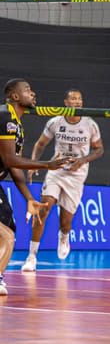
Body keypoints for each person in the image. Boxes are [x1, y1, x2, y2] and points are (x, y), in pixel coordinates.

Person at [0, 79, 72, 294]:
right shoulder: (5, 117)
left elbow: (13, 166)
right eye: (27, 90)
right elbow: (10, 159)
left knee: (8, 229)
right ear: (15, 96)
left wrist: (30, 198)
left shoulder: (17, 125)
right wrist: (47, 164)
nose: (33, 94)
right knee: (6, 234)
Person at [21, 88, 104, 271]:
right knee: (44, 208)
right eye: (73, 99)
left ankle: (64, 236)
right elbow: (40, 144)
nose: (77, 102)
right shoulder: (55, 122)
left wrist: (83, 160)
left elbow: (99, 150)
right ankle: (31, 256)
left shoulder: (90, 124)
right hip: (56, 170)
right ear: (66, 103)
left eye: (80, 99)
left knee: (65, 222)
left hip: (77, 175)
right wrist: (34, 164)